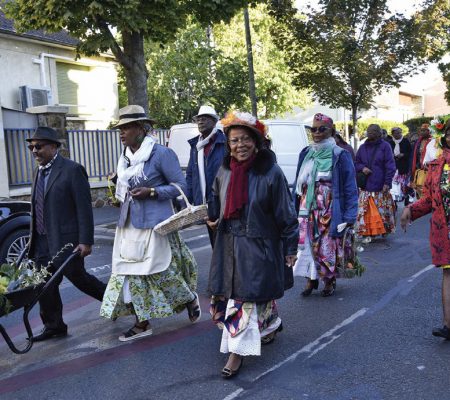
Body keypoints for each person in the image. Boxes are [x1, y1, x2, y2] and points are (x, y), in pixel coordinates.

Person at [207, 111, 298, 378]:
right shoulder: (224, 170)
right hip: (228, 245)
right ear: (228, 144)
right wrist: (213, 216)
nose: (240, 145)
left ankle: (236, 353)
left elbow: (287, 214)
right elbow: (214, 196)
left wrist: (290, 247)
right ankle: (271, 323)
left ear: (257, 142)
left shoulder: (271, 173)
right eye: (234, 141)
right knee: (234, 296)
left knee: (244, 300)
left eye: (246, 139)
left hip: (259, 247)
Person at [100, 105, 200, 341]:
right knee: (129, 273)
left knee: (161, 272)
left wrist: (152, 192)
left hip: (156, 225)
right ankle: (142, 322)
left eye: (126, 128)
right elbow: (124, 190)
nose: (121, 133)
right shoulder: (124, 158)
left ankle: (188, 297)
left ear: (142, 128)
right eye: (120, 129)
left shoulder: (161, 154)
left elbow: (180, 186)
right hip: (128, 224)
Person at [26, 126, 106, 341]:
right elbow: (37, 207)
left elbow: (83, 208)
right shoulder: (38, 172)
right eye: (31, 147)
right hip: (42, 240)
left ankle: (118, 303)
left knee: (81, 280)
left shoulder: (72, 170)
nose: (34, 150)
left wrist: (85, 241)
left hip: (66, 242)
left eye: (39, 146)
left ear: (53, 147)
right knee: (44, 284)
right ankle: (54, 326)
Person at [293, 113, 358, 297]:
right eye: (314, 129)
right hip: (307, 205)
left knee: (327, 244)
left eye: (322, 129)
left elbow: (350, 186)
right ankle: (310, 279)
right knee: (306, 243)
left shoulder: (340, 154)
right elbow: (299, 182)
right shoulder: (306, 153)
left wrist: (350, 216)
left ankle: (329, 280)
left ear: (332, 131)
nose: (317, 132)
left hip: (329, 206)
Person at [400, 118, 450, 339]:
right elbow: (429, 199)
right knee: (448, 274)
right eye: (449, 134)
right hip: (444, 230)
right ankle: (448, 325)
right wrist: (411, 209)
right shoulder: (437, 166)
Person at [186, 105, 226, 247]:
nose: (200, 122)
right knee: (215, 246)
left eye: (204, 119)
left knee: (228, 245)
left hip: (224, 203)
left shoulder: (224, 142)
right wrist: (189, 200)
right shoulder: (196, 146)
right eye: (198, 119)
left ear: (214, 121)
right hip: (206, 204)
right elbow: (191, 174)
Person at [355, 124, 396, 242]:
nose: (370, 132)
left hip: (380, 185)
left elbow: (390, 166)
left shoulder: (385, 146)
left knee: (380, 211)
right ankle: (367, 232)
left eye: (373, 131)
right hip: (366, 186)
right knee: (366, 211)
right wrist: (362, 168)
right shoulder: (362, 148)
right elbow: (356, 162)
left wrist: (387, 183)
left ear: (379, 133)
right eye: (368, 131)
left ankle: (382, 230)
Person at [388, 127, 412, 205]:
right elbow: (387, 154)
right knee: (394, 186)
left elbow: (410, 153)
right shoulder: (390, 143)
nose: (397, 134)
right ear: (392, 134)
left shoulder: (406, 141)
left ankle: (406, 197)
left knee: (404, 185)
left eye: (399, 133)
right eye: (395, 133)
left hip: (404, 167)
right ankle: (394, 201)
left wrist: (403, 155)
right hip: (394, 167)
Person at [411, 123, 433, 198]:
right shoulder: (417, 142)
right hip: (418, 169)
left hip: (428, 169)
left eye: (424, 130)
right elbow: (414, 156)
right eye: (421, 130)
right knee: (418, 190)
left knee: (427, 191)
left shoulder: (433, 141)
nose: (422, 132)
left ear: (429, 131)